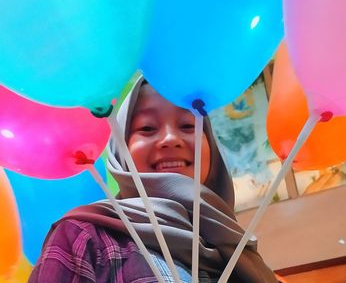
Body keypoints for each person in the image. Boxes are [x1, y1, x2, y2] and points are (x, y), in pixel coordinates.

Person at [28, 75, 279, 282]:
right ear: (121, 150)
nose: (170, 139)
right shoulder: (84, 238)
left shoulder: (240, 253)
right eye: (147, 128)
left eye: (188, 126)